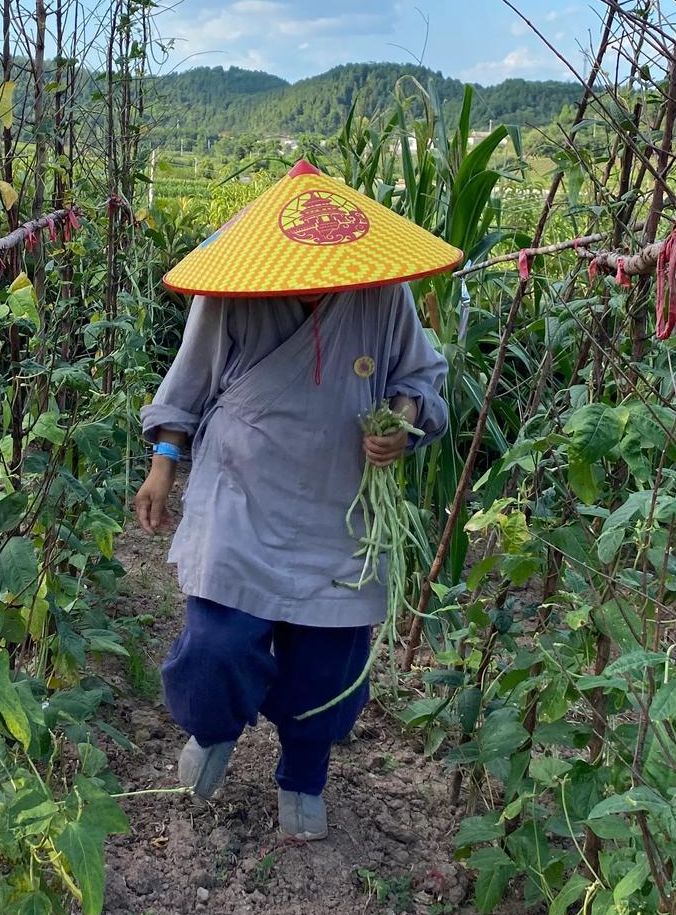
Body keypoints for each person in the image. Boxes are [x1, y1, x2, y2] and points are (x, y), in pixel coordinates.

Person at [135, 159, 459, 842]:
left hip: (340, 507)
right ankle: (215, 730)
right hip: (240, 497)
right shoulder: (232, 288)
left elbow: (423, 379)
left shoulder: (380, 292)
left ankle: (305, 773)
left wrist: (401, 419)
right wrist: (163, 464)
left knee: (327, 661)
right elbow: (186, 384)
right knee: (214, 647)